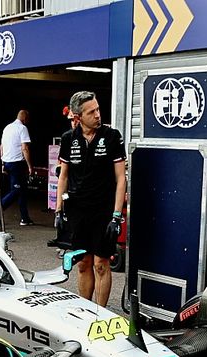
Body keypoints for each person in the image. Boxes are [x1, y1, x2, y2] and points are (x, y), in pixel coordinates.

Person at [55, 91, 127, 306]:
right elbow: (63, 176)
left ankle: (100, 314)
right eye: (91, 112)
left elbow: (121, 178)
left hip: (104, 210)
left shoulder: (112, 136)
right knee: (83, 263)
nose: (97, 115)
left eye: (98, 109)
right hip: (78, 210)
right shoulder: (68, 139)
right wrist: (58, 210)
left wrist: (116, 215)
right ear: (78, 116)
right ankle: (85, 312)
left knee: (101, 264)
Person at [0, 109, 35, 226]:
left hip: (7, 162)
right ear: (25, 118)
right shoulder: (22, 128)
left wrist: (2, 163)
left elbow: (1, 146)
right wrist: (30, 166)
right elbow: (25, 148)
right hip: (17, 163)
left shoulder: (7, 128)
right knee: (16, 190)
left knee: (22, 191)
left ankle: (25, 218)